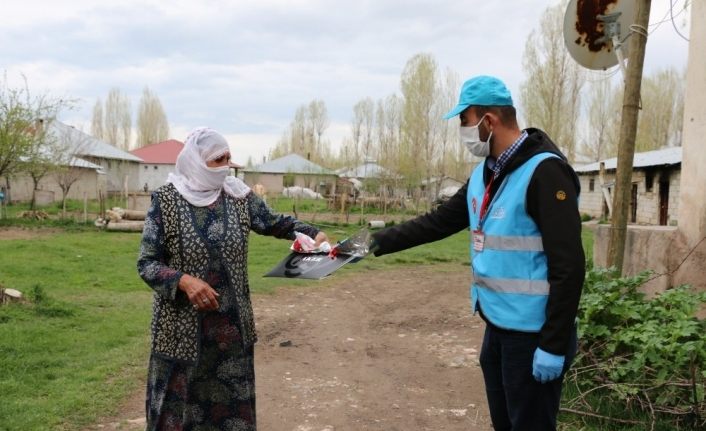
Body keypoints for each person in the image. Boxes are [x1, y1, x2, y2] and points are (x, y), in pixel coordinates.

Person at [370, 75, 585, 430]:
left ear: (489, 121)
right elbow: (437, 222)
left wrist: (554, 343)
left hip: (534, 337)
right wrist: (368, 244)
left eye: (464, 120)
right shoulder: (484, 173)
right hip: (498, 327)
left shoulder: (545, 172)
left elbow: (570, 266)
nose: (462, 129)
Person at [137, 127, 328, 431]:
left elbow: (276, 223)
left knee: (231, 418)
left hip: (231, 334)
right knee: (177, 416)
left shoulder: (239, 197)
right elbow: (147, 264)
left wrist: (312, 233)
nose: (226, 165)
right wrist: (185, 281)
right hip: (179, 336)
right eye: (217, 159)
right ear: (196, 161)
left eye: (228, 157)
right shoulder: (166, 202)